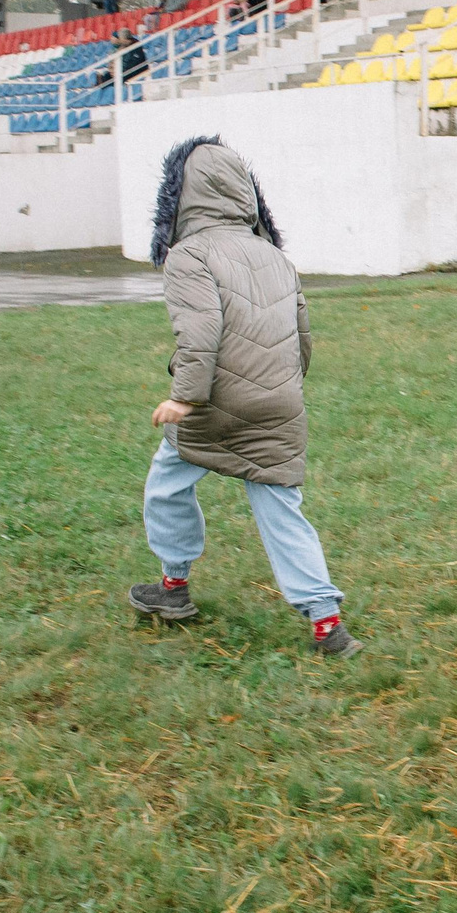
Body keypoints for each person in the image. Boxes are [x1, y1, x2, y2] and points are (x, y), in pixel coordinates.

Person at [133, 136, 358, 658]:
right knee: (282, 510)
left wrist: (184, 399)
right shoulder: (275, 256)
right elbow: (301, 335)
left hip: (212, 405)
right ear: (244, 191)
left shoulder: (188, 255)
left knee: (167, 486)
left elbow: (199, 331)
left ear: (179, 194)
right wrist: (286, 386)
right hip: (279, 404)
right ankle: (327, 623)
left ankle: (173, 587)